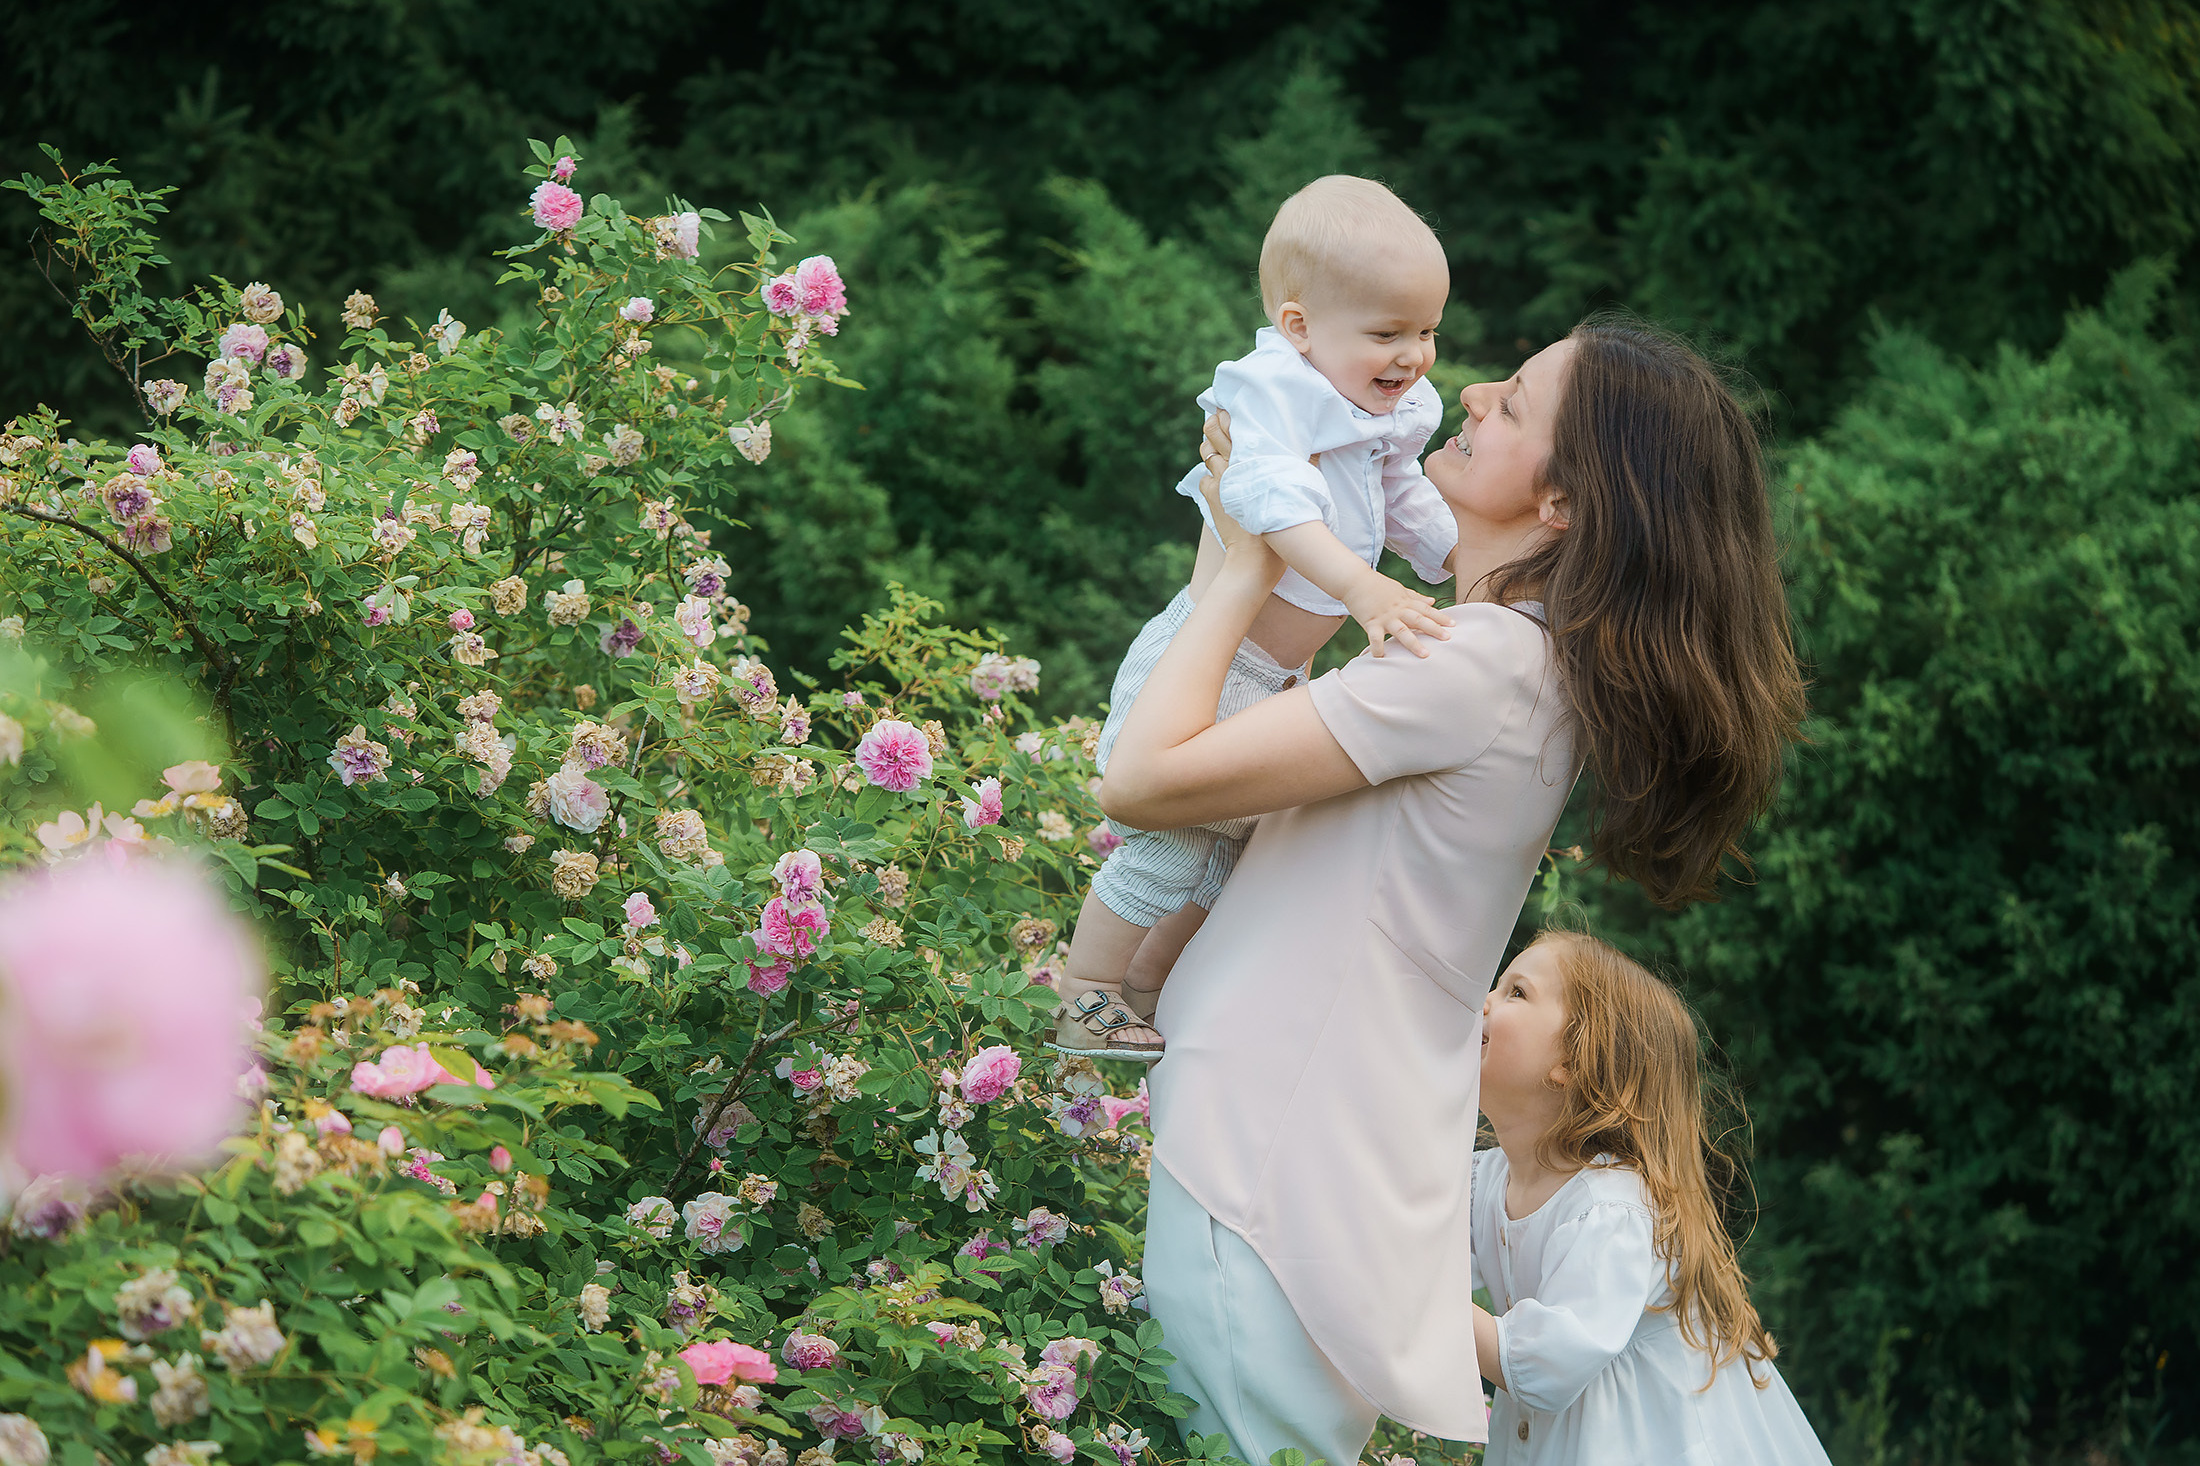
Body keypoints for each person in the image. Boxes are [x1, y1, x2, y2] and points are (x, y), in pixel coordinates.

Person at [1100, 321, 1807, 1465]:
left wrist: (1242, 561)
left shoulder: (1478, 662)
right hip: (1301, 1161)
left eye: (1514, 404)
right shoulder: (1522, 668)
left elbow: (1139, 778)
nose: (1469, 392)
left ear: (1565, 501)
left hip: (1267, 1158)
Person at [1051, 174, 1459, 1061]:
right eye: (1388, 333)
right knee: (1165, 852)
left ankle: (1149, 988)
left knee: (1229, 863)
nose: (1415, 356)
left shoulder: (1374, 404)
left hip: (1276, 676)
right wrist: (1364, 590)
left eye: (1427, 330)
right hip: (1209, 664)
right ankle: (1083, 988)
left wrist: (1453, 557)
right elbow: (1267, 505)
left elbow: (1402, 494)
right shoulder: (1273, 389)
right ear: (1300, 326)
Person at [1470, 928, 1830, 1463]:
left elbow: (1543, 1365)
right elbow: (1403, 1239)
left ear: (1572, 1060)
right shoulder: (1486, 1179)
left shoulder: (1611, 1208)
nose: (1483, 1001)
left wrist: (1416, 1306)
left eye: (1515, 992)